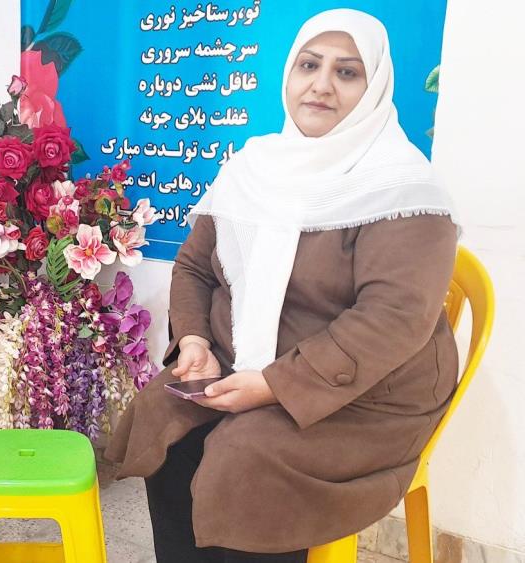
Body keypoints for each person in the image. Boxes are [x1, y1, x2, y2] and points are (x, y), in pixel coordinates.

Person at [106, 9, 460, 563]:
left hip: (366, 394)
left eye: (347, 72)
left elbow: (392, 320)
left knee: (248, 456)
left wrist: (273, 385)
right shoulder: (255, 166)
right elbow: (195, 267)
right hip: (242, 361)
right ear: (289, 73)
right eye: (309, 65)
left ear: (374, 87)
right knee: (166, 418)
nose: (321, 85)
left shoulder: (404, 189)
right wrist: (195, 340)